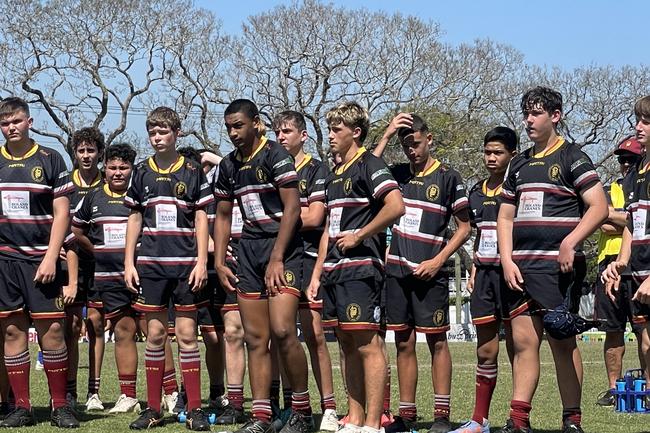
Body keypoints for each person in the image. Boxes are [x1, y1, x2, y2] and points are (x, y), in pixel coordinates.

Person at [497, 87, 607, 433]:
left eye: (537, 113)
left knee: (562, 342)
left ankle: (572, 420)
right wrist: (506, 260)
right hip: (521, 269)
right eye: (526, 113)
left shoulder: (572, 157)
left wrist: (571, 241)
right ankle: (518, 419)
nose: (529, 120)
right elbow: (504, 217)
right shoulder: (519, 163)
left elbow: (599, 207)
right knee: (525, 343)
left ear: (555, 116)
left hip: (558, 270)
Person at [213, 99, 312, 433]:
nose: (232, 133)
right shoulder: (227, 166)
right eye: (228, 127)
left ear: (256, 123)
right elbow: (224, 215)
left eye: (238, 125)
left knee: (283, 331)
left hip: (282, 248)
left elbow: (293, 209)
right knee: (255, 339)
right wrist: (219, 259)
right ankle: (262, 416)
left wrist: (277, 257)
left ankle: (301, 409)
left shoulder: (276, 156)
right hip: (249, 251)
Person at [307, 101, 405, 433]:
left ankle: (374, 423)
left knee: (367, 343)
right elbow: (328, 230)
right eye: (330, 129)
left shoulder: (370, 164)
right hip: (334, 270)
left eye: (337, 130)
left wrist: (361, 234)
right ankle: (355, 418)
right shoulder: (333, 172)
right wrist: (318, 271)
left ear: (356, 132)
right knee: (346, 344)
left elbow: (396, 206)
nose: (331, 135)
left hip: (362, 268)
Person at [376, 113, 471, 433]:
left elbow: (465, 227)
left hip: (431, 273)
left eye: (415, 143)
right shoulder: (398, 174)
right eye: (405, 146)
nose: (411, 151)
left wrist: (439, 259)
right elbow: (366, 168)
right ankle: (407, 414)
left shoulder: (448, 177)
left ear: (429, 139)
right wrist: (387, 134)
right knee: (402, 341)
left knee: (437, 342)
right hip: (397, 272)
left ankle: (442, 415)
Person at [124, 106, 213, 430]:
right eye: (152, 132)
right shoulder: (141, 171)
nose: (157, 137)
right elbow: (134, 217)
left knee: (188, 335)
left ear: (176, 132)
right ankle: (152, 408)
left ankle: (195, 409)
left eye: (163, 132)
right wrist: (128, 262)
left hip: (186, 266)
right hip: (151, 266)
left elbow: (202, 217)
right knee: (156, 335)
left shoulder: (192, 170)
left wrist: (202, 261)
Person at [0, 97, 79, 428]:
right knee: (13, 329)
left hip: (41, 260)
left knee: (54, 329)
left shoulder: (51, 158)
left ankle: (60, 406)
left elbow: (63, 213)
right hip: (5, 260)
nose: (10, 127)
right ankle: (21, 407)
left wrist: (50, 255)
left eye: (16, 121)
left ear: (29, 122)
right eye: (4, 123)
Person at [272, 110, 339, 432]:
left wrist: (281, 217)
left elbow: (314, 218)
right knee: (281, 333)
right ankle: (293, 405)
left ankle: (329, 407)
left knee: (314, 335)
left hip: (310, 257)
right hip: (280, 259)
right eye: (277, 132)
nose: (281, 137)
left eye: (287, 131)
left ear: (303, 136)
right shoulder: (271, 168)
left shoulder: (316, 169)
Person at [449, 127, 518, 433]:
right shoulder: (475, 191)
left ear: (512, 155)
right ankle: (479, 420)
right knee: (485, 349)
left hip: (513, 276)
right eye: (487, 152)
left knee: (519, 346)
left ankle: (518, 418)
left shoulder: (519, 188)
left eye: (498, 153)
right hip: (484, 277)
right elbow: (477, 235)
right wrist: (475, 268)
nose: (491, 158)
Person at [72, 142, 141, 414]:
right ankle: (104, 393)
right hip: (104, 278)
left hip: (140, 276)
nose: (117, 172)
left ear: (132, 169)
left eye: (123, 167)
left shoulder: (139, 195)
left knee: (151, 331)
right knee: (104, 329)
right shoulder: (93, 197)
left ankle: (165, 393)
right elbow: (77, 231)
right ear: (105, 167)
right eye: (112, 167)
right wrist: (97, 249)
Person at [602, 95, 650, 403]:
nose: (638, 127)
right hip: (638, 268)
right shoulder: (636, 172)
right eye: (638, 120)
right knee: (646, 342)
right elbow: (632, 223)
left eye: (646, 121)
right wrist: (620, 264)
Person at [594, 135, 645, 406]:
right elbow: (602, 221)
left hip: (640, 263)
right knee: (612, 330)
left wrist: (620, 216)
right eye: (622, 160)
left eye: (631, 160)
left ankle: (646, 386)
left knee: (643, 331)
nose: (626, 165)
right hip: (609, 265)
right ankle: (613, 389)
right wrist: (625, 216)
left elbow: (627, 220)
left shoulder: (644, 186)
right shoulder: (608, 188)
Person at [66, 126, 106, 411]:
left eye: (91, 150)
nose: (86, 155)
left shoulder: (109, 183)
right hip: (68, 263)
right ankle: (70, 391)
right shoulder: (65, 183)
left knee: (96, 323)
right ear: (74, 153)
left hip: (101, 265)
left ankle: (94, 391)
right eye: (81, 150)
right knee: (70, 325)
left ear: (100, 153)